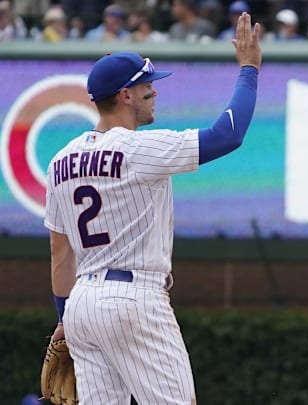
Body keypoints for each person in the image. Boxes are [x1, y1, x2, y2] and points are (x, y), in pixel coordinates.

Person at [44, 12, 261, 404]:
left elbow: (61, 255)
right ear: (125, 95)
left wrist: (64, 317)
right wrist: (248, 69)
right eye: (147, 86)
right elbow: (228, 135)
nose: (154, 92)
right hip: (133, 299)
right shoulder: (137, 148)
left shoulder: (60, 161)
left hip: (81, 307)